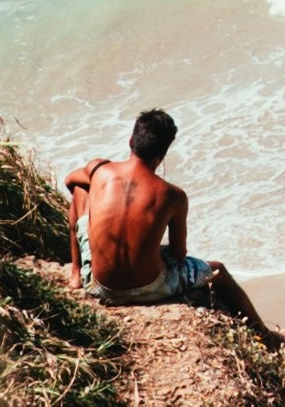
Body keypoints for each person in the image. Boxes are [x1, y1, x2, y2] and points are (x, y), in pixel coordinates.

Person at [66, 108, 257, 319]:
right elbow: (178, 255)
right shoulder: (173, 195)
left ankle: (76, 274)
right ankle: (268, 337)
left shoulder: (98, 169)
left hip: (99, 286)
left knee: (80, 189)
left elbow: (70, 181)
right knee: (218, 271)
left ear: (131, 141)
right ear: (163, 153)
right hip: (150, 288)